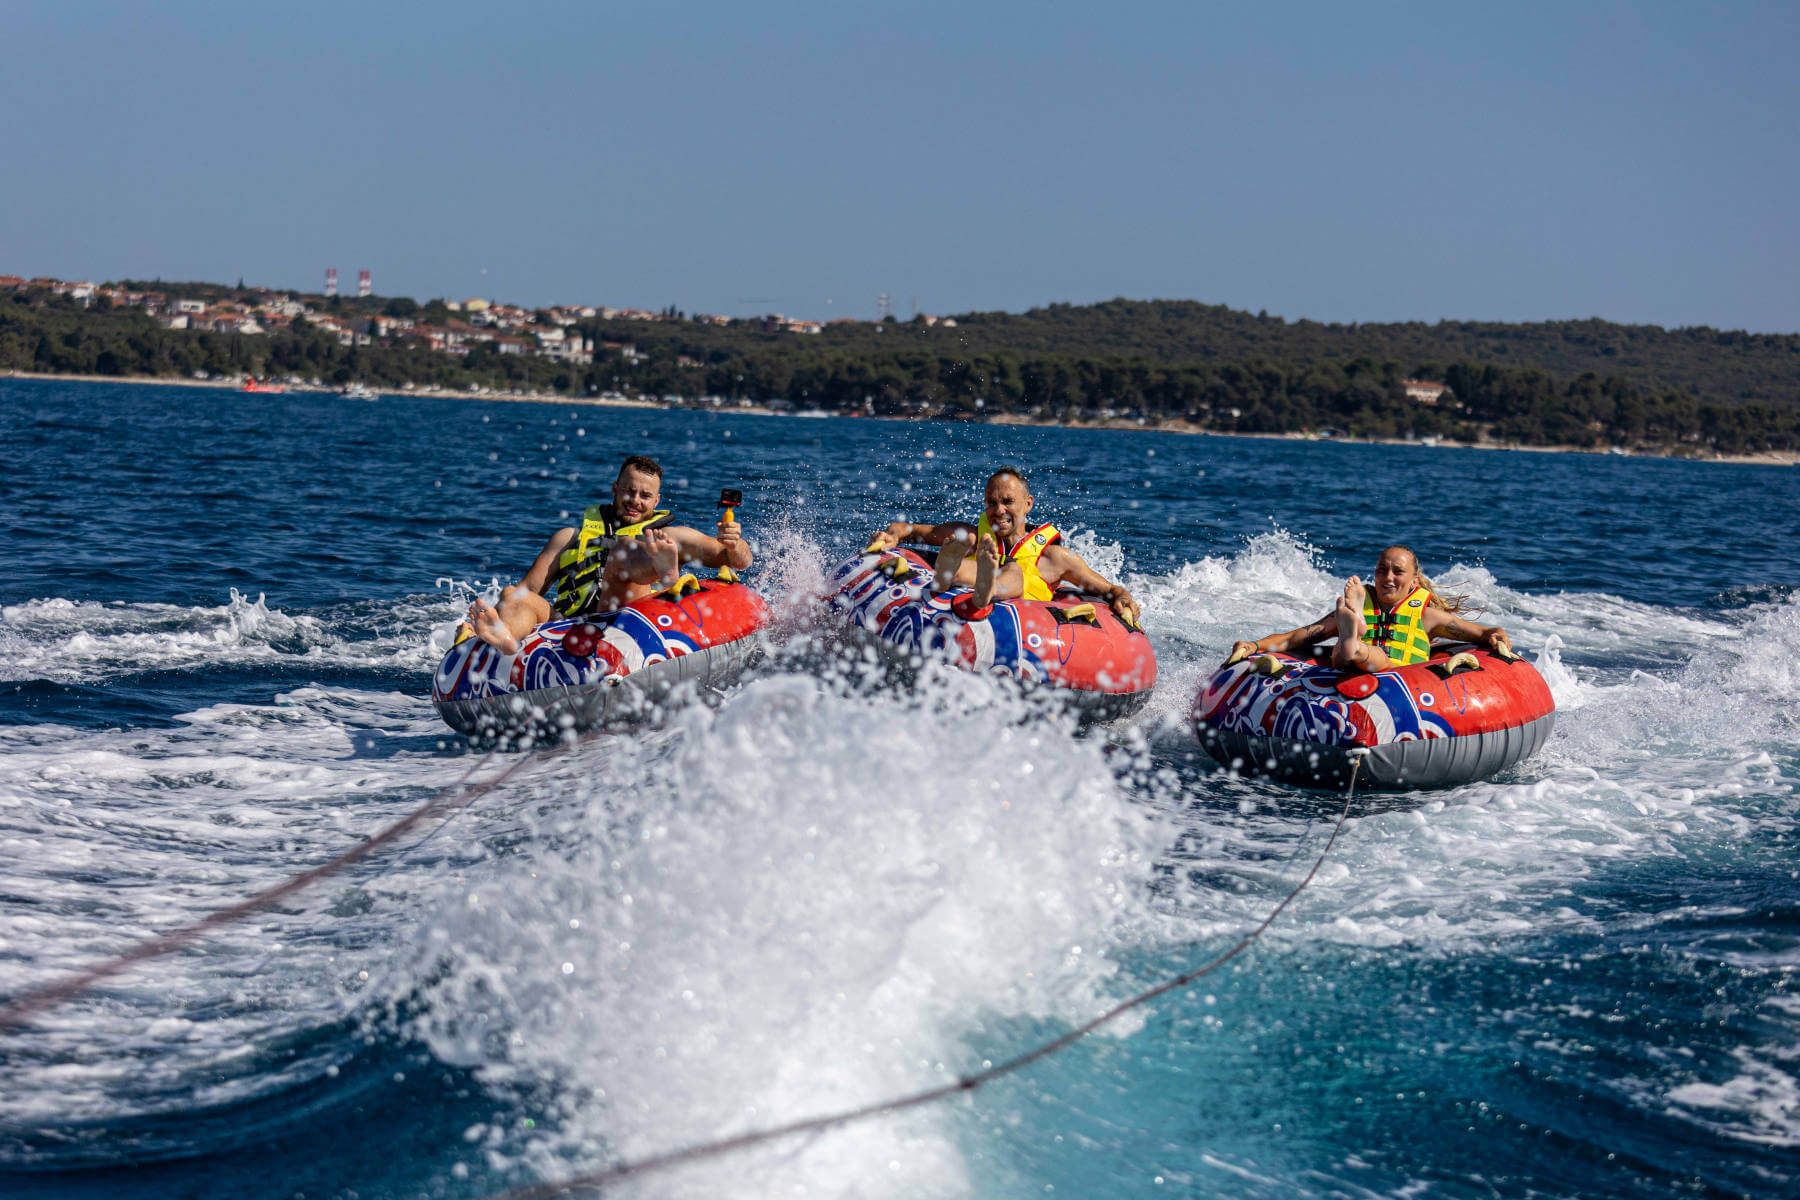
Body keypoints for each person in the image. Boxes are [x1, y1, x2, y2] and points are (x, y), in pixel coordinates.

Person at [462, 455, 751, 654]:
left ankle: (665, 572)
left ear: (657, 501)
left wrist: (735, 543)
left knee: (623, 551)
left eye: (645, 496)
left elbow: (738, 561)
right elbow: (527, 592)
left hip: (626, 620)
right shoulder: (568, 538)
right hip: (567, 623)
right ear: (615, 489)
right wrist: (500, 614)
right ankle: (505, 639)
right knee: (517, 594)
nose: (635, 501)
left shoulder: (669, 538)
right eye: (629, 491)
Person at [863, 466, 1142, 626]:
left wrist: (1123, 598)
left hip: (1025, 625)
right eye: (991, 503)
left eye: (1008, 502)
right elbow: (910, 529)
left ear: (1027, 504)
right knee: (968, 545)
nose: (998, 511)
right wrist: (891, 535)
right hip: (963, 600)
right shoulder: (974, 536)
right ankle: (949, 572)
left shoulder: (1057, 558)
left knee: (1014, 573)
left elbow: (1112, 590)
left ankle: (981, 585)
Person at [1224, 544, 1512, 674]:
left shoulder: (1426, 615)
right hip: (1342, 667)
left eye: (1397, 572)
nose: (1387, 577)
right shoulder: (1359, 602)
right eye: (1381, 570)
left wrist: (1497, 635)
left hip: (1397, 676)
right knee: (1344, 652)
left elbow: (1483, 633)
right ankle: (1352, 638)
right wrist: (1255, 645)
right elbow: (1297, 638)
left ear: (1414, 582)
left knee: (1365, 653)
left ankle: (1353, 640)